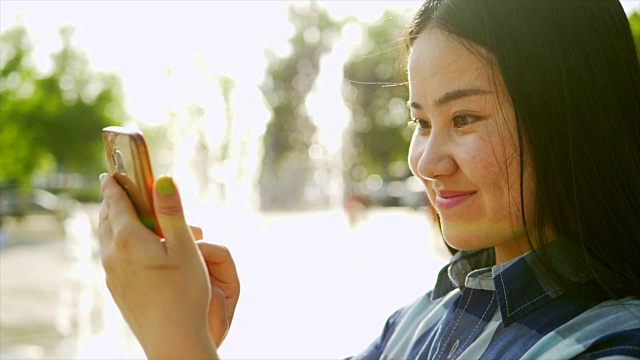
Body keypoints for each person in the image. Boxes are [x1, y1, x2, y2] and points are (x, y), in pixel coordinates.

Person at [98, 0, 640, 358]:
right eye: (421, 122)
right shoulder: (425, 316)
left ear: (572, 119)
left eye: (464, 119)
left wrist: (176, 342)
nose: (427, 162)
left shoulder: (612, 342)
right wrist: (197, 333)